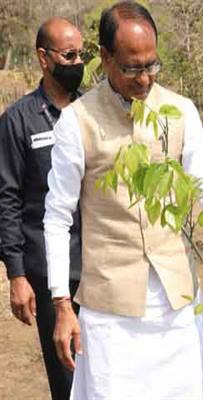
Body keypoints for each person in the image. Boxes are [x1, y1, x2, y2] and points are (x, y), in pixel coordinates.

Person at [43, 2, 203, 399]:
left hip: (175, 301)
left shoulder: (179, 112)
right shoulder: (78, 121)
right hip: (111, 309)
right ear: (106, 57)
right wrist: (61, 303)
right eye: (131, 68)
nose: (144, 79)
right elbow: (57, 216)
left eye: (152, 66)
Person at [0, 17, 84, 400]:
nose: (77, 63)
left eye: (82, 54)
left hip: (99, 268)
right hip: (51, 273)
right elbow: (7, 199)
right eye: (69, 55)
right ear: (43, 58)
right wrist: (16, 275)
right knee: (67, 378)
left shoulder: (91, 112)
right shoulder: (18, 121)